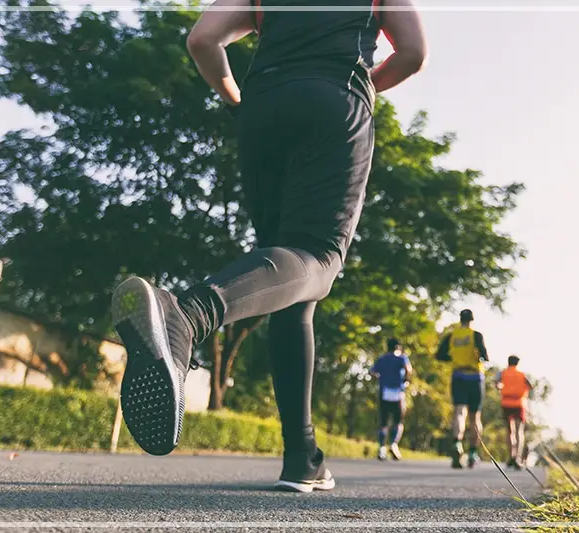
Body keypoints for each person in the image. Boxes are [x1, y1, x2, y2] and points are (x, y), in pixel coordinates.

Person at [110, 0, 427, 493]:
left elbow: (202, 39)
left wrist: (236, 94)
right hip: (335, 96)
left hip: (263, 106)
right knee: (317, 259)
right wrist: (364, 86)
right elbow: (411, 52)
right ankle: (188, 316)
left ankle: (302, 457)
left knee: (289, 280)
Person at [435, 309, 489, 469]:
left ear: (460, 320)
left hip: (458, 376)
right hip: (474, 377)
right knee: (475, 417)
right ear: (472, 320)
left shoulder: (452, 336)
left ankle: (457, 444)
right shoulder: (476, 335)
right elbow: (485, 356)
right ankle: (472, 452)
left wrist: (454, 357)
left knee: (459, 412)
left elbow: (439, 355)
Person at [370, 338, 413, 461]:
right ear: (398, 347)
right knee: (398, 422)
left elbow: (372, 372)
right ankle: (394, 444)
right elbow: (408, 369)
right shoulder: (401, 358)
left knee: (383, 422)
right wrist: (406, 381)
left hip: (384, 392)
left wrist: (380, 378)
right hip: (398, 393)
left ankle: (382, 448)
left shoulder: (382, 359)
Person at [494, 355, 533, 470]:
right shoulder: (522, 374)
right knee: (519, 431)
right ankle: (518, 457)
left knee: (510, 431)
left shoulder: (503, 373)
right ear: (517, 363)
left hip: (506, 403)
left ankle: (511, 455)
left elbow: (496, 383)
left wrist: (501, 388)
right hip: (519, 404)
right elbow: (530, 386)